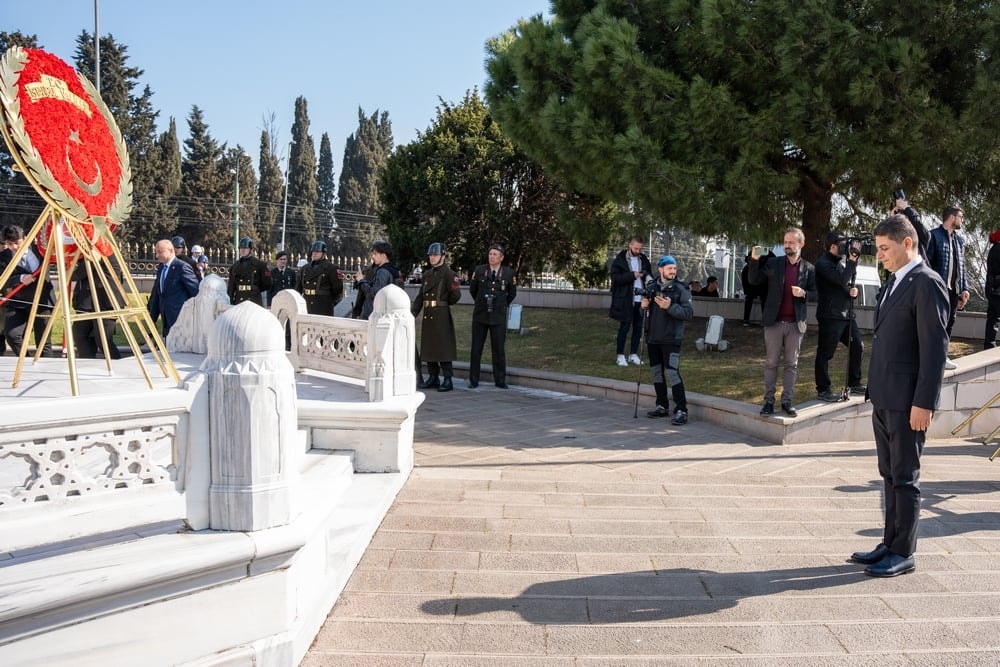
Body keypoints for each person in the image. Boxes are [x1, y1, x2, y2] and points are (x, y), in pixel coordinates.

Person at [849, 213, 948, 578]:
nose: (880, 256)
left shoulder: (926, 283)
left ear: (908, 243)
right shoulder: (895, 281)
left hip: (909, 402)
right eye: (878, 249)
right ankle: (890, 542)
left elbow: (935, 349)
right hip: (885, 396)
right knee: (888, 474)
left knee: (905, 477)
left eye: (885, 248)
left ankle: (904, 551)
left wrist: (924, 402)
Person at [747, 227, 816, 417]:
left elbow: (817, 294)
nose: (787, 245)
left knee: (791, 364)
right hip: (774, 322)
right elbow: (754, 280)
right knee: (771, 363)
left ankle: (787, 402)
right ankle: (768, 401)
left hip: (796, 323)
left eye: (791, 242)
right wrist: (754, 260)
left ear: (801, 244)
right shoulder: (773, 263)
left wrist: (804, 294)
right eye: (785, 242)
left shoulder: (809, 269)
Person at [641, 255, 693, 425]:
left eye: (675, 268)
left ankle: (681, 410)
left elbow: (688, 313)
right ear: (661, 269)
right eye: (670, 268)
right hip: (653, 338)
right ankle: (662, 405)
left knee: (672, 373)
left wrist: (669, 307)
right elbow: (645, 315)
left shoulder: (681, 289)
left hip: (672, 338)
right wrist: (643, 307)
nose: (673, 271)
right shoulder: (651, 287)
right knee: (656, 373)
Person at [814, 232, 865, 402]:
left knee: (858, 346)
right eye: (843, 244)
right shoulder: (823, 264)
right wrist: (852, 260)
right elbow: (841, 279)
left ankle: (854, 382)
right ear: (833, 246)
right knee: (826, 353)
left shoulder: (840, 264)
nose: (846, 248)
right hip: (830, 315)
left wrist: (853, 292)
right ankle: (823, 389)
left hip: (846, 315)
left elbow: (845, 283)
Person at [412, 242, 462, 392]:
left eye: (435, 255)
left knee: (443, 346)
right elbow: (420, 297)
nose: (432, 258)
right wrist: (412, 314)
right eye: (431, 255)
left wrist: (443, 304)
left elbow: (456, 295)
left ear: (443, 256)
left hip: (441, 314)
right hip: (428, 314)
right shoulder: (427, 275)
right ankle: (433, 377)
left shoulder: (449, 274)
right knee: (429, 346)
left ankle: (447, 379)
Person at [926, 205, 968, 370]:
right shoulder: (933, 236)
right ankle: (932, 357)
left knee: (949, 322)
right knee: (937, 324)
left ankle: (942, 356)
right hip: (938, 289)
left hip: (954, 290)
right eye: (960, 217)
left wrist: (964, 288)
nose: (962, 221)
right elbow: (926, 264)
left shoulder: (959, 240)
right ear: (952, 217)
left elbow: (962, 266)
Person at [468, 244, 516, 388]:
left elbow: (511, 294)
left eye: (495, 254)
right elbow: (473, 290)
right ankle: (473, 380)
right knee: (476, 349)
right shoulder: (480, 270)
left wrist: (500, 305)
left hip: (498, 316)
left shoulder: (508, 273)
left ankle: (500, 380)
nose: (492, 257)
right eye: (490, 254)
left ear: (501, 258)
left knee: (499, 350)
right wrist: (482, 302)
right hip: (480, 315)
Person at [2, 225, 54, 357]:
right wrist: (20, 278)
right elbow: (3, 278)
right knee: (12, 335)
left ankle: (47, 370)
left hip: (43, 301)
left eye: (16, 242)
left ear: (25, 239)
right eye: (9, 243)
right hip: (18, 301)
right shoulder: (3, 257)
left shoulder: (41, 250)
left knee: (43, 342)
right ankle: (25, 363)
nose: (14, 247)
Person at [608, 236, 652, 367]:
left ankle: (633, 354)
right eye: (635, 248)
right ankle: (620, 355)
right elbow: (616, 278)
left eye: (640, 248)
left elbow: (649, 273)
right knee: (624, 327)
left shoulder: (643, 259)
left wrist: (648, 279)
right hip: (626, 300)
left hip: (641, 299)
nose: (638, 251)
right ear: (630, 246)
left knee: (638, 328)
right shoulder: (620, 260)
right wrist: (632, 275)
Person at [72, 256, 123, 359]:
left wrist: (70, 265)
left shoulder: (100, 251)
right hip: (87, 303)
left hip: (104, 303)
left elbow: (77, 274)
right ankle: (87, 365)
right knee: (80, 335)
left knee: (103, 341)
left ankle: (117, 365)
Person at [148, 238, 199, 338]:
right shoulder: (161, 268)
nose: (157, 255)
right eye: (156, 252)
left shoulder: (182, 267)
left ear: (171, 251)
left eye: (160, 252)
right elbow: (158, 294)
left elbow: (195, 291)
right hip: (165, 317)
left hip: (180, 318)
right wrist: (152, 318)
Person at [297, 240, 344, 316]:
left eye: (318, 252)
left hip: (323, 307)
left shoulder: (331, 268)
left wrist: (328, 301)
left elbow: (337, 289)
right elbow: (298, 288)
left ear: (323, 253)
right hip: (306, 305)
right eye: (313, 251)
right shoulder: (305, 268)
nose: (314, 253)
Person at [355, 240, 398, 320]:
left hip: (377, 317)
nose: (373, 257)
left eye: (375, 254)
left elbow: (374, 293)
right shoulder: (392, 270)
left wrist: (361, 280)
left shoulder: (383, 271)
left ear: (383, 255)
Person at [227, 237, 272, 306]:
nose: (243, 250)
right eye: (241, 248)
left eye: (245, 248)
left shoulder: (260, 265)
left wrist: (255, 289)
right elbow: (231, 287)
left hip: (254, 300)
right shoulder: (235, 266)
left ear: (250, 249)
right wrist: (230, 303)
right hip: (239, 300)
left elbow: (267, 283)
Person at [891, 192, 930, 259]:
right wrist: (892, 219)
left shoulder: (919, 237)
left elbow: (926, 234)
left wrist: (906, 208)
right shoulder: (897, 236)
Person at [741, 250, 770, 326]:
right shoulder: (747, 268)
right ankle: (747, 320)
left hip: (760, 284)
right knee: (759, 299)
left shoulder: (748, 267)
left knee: (762, 299)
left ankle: (747, 320)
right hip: (756, 284)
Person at [986, 228, 1000, 349]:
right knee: (994, 318)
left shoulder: (994, 249)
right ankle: (990, 344)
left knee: (993, 317)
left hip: (992, 289)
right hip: (997, 289)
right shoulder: (998, 249)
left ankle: (989, 345)